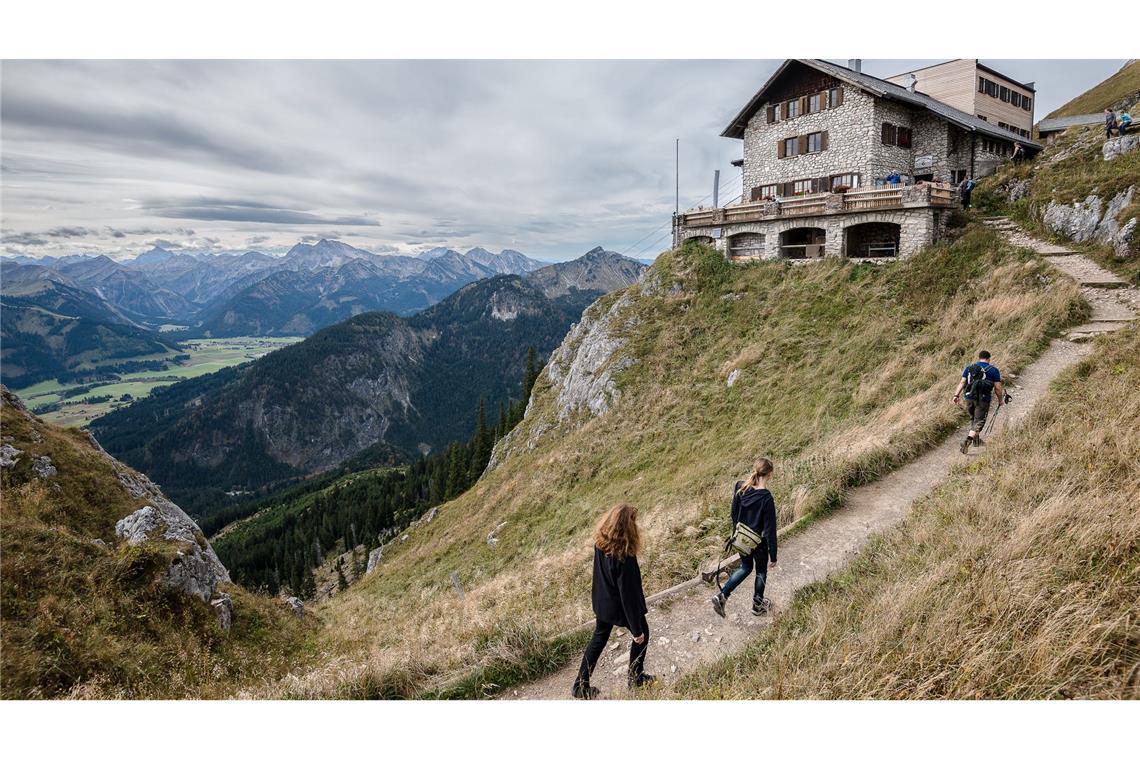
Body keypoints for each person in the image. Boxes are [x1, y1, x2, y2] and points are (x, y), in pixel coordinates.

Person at [571, 503, 657, 699]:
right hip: (618, 605)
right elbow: (628, 595)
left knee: (599, 638)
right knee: (643, 633)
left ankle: (580, 686)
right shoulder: (624, 556)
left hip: (602, 602)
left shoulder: (601, 543)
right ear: (626, 527)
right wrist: (636, 629)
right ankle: (635, 679)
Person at [711, 458, 779, 619]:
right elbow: (770, 530)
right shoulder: (766, 498)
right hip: (758, 543)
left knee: (746, 567)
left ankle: (722, 596)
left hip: (741, 538)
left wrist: (736, 534)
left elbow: (734, 514)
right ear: (770, 474)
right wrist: (773, 556)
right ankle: (757, 605)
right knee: (761, 571)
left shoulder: (740, 487)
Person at [952, 350, 1004, 454]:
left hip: (969, 397)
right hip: (983, 399)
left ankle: (976, 441)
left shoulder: (969, 367)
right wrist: (1000, 400)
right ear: (989, 358)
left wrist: (956, 395)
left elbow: (962, 382)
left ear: (979, 357)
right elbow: (997, 388)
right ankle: (967, 441)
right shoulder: (993, 370)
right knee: (979, 421)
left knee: (973, 419)